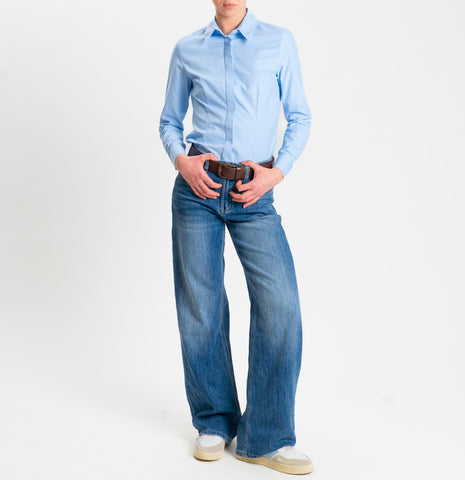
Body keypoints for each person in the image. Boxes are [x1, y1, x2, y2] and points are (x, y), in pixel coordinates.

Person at [159, 0, 313, 475]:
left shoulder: (278, 42)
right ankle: (213, 420)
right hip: (197, 190)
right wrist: (182, 161)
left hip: (254, 193)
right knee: (201, 307)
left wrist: (276, 173)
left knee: (280, 306)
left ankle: (265, 436)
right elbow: (169, 121)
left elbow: (300, 116)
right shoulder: (188, 49)